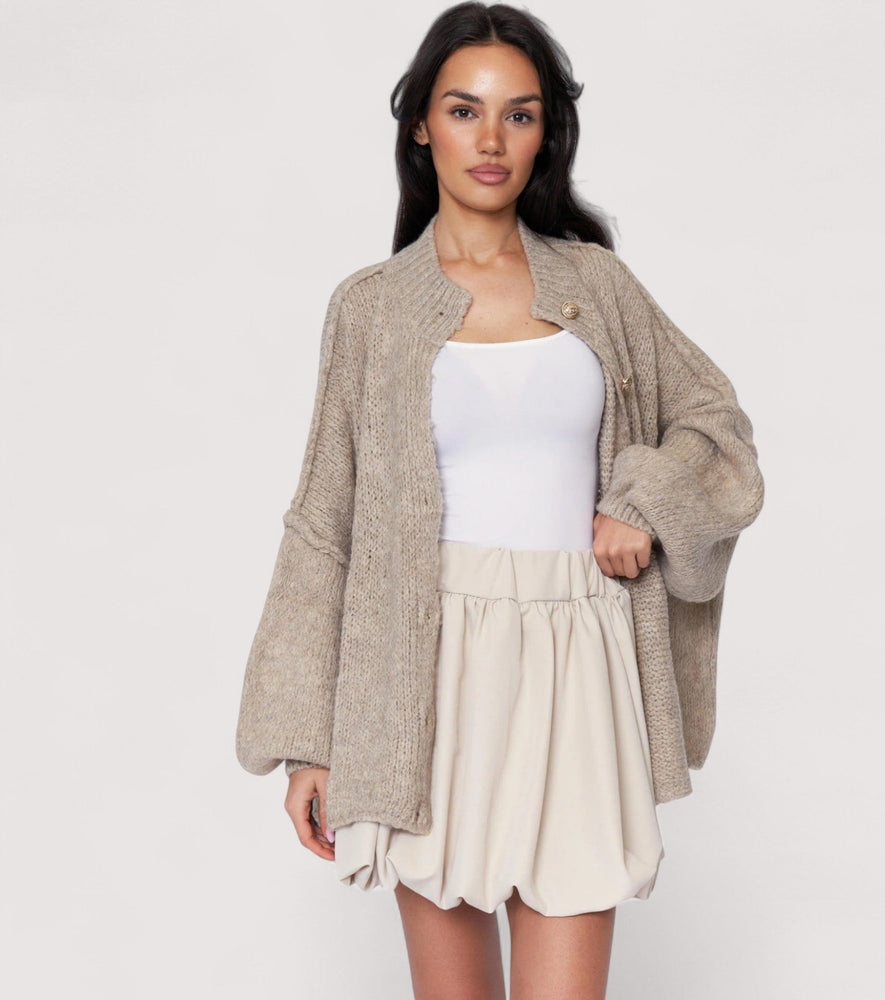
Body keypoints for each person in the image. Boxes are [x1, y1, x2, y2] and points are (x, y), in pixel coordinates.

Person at [234, 3, 764, 997]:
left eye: (518, 115)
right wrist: (306, 742)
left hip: (580, 655)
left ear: (544, 135)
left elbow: (716, 425)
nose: (490, 140)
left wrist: (644, 500)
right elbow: (323, 523)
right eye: (463, 110)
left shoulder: (599, 287)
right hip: (421, 672)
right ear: (419, 126)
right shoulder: (372, 308)